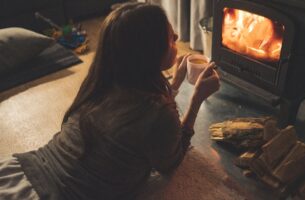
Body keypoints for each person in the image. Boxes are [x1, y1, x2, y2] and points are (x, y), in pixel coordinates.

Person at [0, 2, 220, 200]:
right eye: (171, 38)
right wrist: (196, 99)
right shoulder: (158, 115)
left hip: (26, 170)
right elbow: (170, 162)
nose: (177, 38)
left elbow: (143, 119)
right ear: (148, 53)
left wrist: (175, 83)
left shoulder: (101, 82)